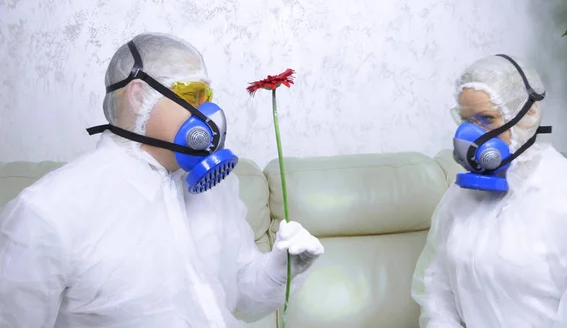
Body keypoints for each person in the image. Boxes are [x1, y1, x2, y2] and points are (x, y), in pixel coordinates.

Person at [0, 32, 324, 327]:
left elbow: (244, 299)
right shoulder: (48, 211)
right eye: (192, 95)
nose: (208, 111)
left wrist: (284, 268)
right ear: (140, 96)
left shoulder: (216, 190)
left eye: (207, 96)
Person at [411, 54, 567, 327]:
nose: (472, 136)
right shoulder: (460, 195)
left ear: (529, 114)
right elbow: (436, 289)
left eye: (487, 118)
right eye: (466, 120)